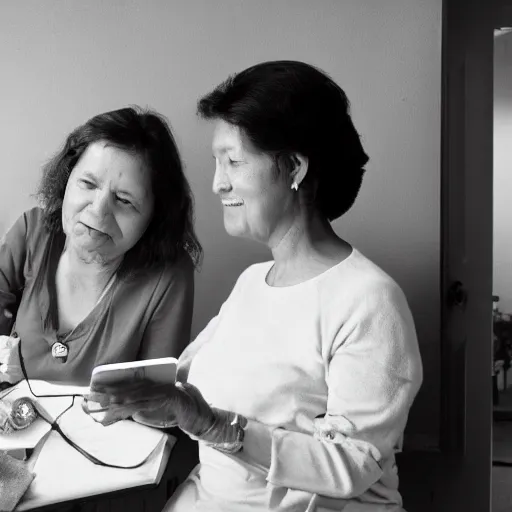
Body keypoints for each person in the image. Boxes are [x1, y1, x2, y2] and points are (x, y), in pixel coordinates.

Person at [84, 61, 423, 511]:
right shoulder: (251, 284)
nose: (217, 182)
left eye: (234, 161)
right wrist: (148, 399)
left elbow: (352, 463)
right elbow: (185, 381)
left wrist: (215, 426)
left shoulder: (369, 301)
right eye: (216, 162)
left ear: (294, 167)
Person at [0, 106, 201, 386]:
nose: (98, 211)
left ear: (156, 216)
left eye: (125, 200)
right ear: (66, 178)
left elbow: (156, 405)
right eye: (88, 183)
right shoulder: (30, 232)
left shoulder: (168, 276)